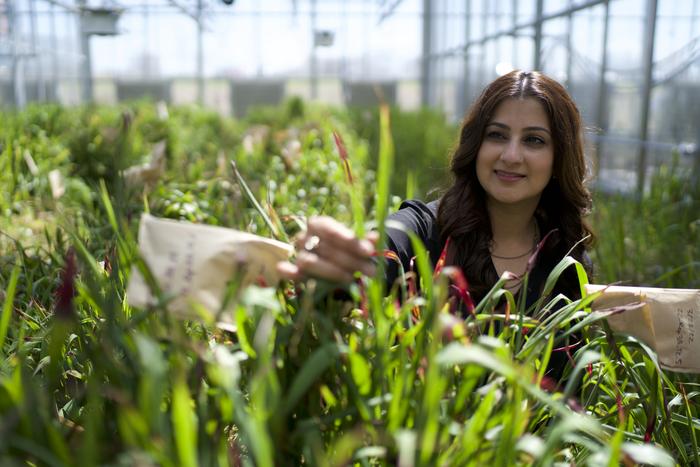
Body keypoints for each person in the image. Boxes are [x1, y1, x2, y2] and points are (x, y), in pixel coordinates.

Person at [277, 70, 594, 312]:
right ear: (476, 145)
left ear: (558, 159)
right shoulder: (427, 230)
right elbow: (387, 246)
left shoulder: (569, 261)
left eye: (533, 140)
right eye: (496, 135)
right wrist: (348, 262)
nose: (511, 155)